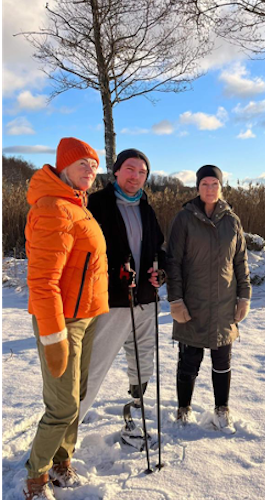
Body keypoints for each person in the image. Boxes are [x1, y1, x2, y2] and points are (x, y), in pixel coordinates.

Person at [24, 138, 108, 499]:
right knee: (62, 405)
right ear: (63, 167)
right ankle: (36, 477)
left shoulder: (77, 204)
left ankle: (62, 461)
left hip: (85, 317)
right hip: (63, 322)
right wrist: (53, 335)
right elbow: (43, 282)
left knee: (78, 395)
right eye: (82, 165)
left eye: (93, 164)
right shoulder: (54, 208)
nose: (90, 170)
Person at [78, 149, 167, 444]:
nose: (136, 176)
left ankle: (134, 417)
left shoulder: (145, 206)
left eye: (142, 172)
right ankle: (65, 437)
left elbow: (158, 250)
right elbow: (84, 251)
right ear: (116, 171)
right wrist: (114, 270)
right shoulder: (96, 204)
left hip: (145, 299)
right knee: (95, 366)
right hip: (111, 301)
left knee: (142, 361)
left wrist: (160, 272)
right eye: (130, 169)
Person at [166, 165, 252, 434]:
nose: (210, 189)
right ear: (197, 187)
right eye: (205, 184)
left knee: (222, 360)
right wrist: (175, 300)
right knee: (189, 359)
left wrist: (244, 296)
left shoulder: (232, 221)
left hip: (225, 304)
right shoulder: (184, 219)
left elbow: (241, 262)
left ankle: (221, 410)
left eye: (215, 183)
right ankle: (183, 410)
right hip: (193, 303)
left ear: (221, 187)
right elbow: (173, 262)